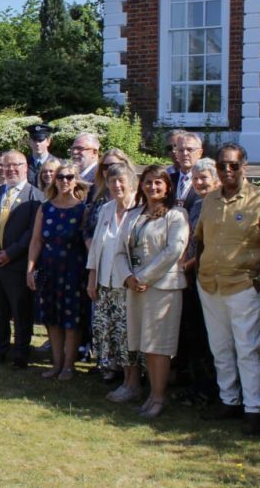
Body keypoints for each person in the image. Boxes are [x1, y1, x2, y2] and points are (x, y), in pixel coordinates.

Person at [194, 143, 260, 435]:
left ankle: (253, 410)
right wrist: (198, 271)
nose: (228, 170)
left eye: (233, 165)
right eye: (222, 165)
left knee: (247, 350)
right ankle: (228, 400)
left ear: (245, 165)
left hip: (244, 286)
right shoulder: (209, 200)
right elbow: (200, 240)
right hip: (210, 284)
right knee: (220, 348)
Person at [119, 165, 189, 418]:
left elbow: (173, 251)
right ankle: (150, 394)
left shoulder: (175, 215)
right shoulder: (134, 214)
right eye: (148, 182)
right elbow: (120, 250)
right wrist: (128, 277)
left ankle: (159, 397)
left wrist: (143, 277)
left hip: (162, 288)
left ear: (168, 187)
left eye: (158, 182)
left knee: (159, 345)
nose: (153, 187)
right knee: (145, 344)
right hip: (135, 287)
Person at [0, 150, 44, 369]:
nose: (11, 169)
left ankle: (21, 353)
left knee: (20, 311)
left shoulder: (35, 196)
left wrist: (10, 253)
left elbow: (32, 232)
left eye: (16, 165)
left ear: (26, 167)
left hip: (17, 264)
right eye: (6, 165)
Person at [26, 162, 89, 380]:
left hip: (74, 270)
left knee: (71, 320)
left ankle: (69, 366)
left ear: (76, 180)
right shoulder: (45, 208)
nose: (64, 181)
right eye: (60, 177)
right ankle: (56, 364)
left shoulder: (83, 209)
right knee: (51, 319)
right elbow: (36, 241)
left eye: (69, 177)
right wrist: (30, 269)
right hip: (48, 269)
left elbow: (88, 243)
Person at [86, 163, 141, 397]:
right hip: (105, 283)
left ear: (132, 183)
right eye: (111, 181)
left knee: (129, 335)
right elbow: (97, 245)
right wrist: (92, 278)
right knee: (114, 333)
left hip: (129, 283)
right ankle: (124, 380)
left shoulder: (140, 210)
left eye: (121, 181)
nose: (116, 185)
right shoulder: (106, 209)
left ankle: (133, 383)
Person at [176, 157, 220, 405]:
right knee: (193, 334)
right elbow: (189, 239)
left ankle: (210, 390)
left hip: (205, 275)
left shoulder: (216, 206)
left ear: (215, 180)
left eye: (204, 177)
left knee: (207, 337)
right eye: (195, 178)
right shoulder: (196, 205)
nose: (199, 182)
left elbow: (208, 245)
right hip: (189, 276)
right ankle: (197, 386)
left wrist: (187, 266)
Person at [169, 132, 204, 210]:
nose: (185, 153)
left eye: (189, 149)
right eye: (181, 150)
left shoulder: (206, 181)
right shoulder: (168, 180)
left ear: (200, 153)